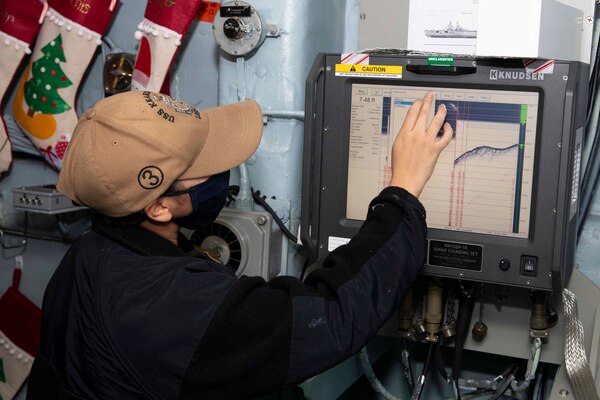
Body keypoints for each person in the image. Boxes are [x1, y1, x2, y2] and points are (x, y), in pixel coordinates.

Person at [26, 90, 452, 400]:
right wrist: (403, 188)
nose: (224, 168)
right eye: (203, 166)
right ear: (158, 208)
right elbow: (333, 315)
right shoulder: (169, 304)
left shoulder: (88, 253)